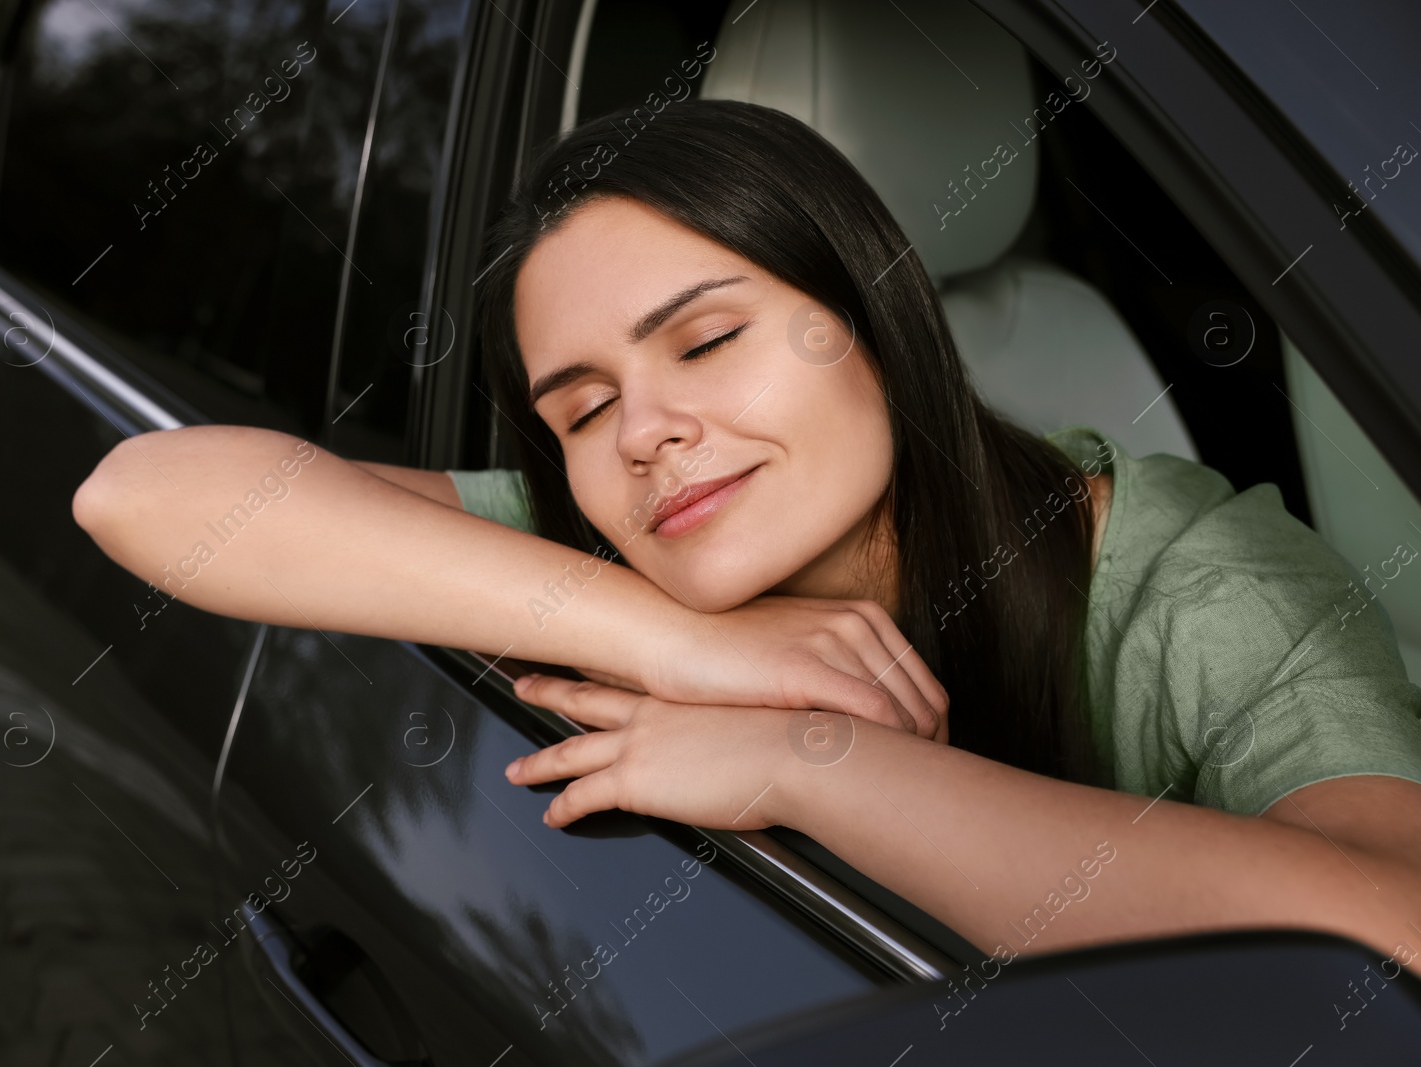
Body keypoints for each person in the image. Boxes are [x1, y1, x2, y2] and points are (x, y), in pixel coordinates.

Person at [73, 99, 1421, 975]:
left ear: (877, 323)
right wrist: (681, 643)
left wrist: (805, 759)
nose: (645, 433)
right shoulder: (623, 543)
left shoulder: (1198, 583)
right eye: (582, 409)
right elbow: (141, 494)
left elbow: (1388, 924)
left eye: (706, 340)